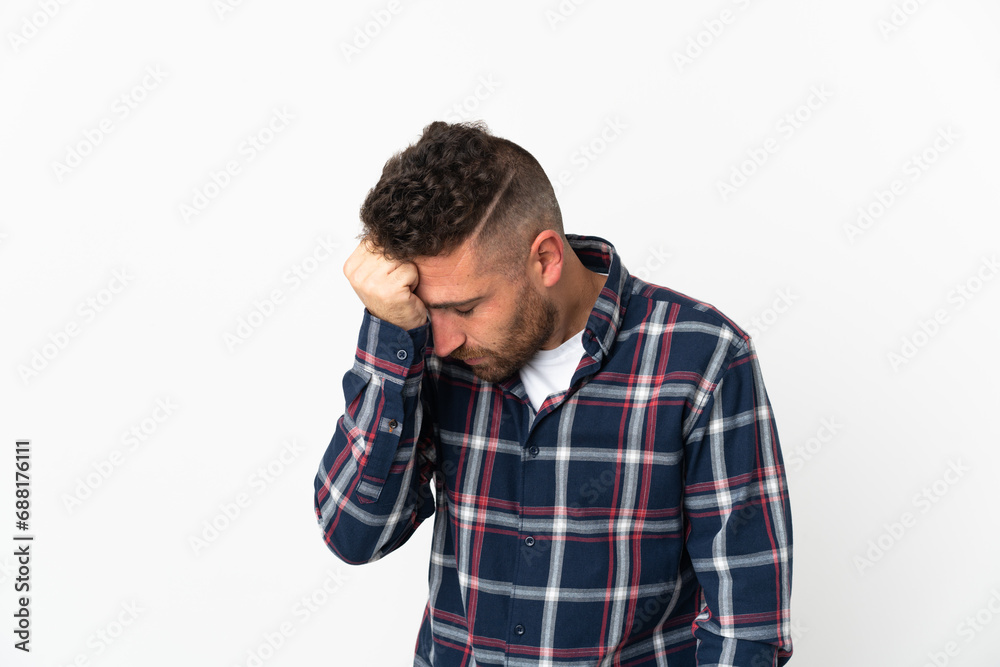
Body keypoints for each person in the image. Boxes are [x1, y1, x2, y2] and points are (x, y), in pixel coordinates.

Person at [313, 120, 794, 666]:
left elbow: (748, 622)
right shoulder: (427, 353)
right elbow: (355, 533)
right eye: (429, 309)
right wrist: (389, 334)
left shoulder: (701, 356)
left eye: (465, 307)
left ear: (545, 258)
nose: (442, 341)